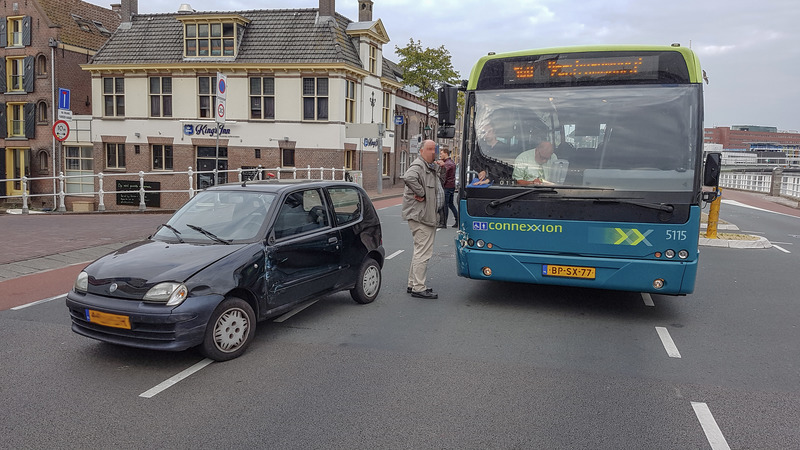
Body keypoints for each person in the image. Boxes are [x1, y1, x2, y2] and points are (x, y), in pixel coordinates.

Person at [402, 140, 443, 299]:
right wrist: (422, 192)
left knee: (419, 251)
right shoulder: (419, 166)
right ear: (421, 151)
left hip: (425, 215)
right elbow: (408, 177)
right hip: (422, 216)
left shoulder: (428, 166)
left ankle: (413, 284)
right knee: (423, 253)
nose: (433, 152)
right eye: (429, 149)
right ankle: (419, 288)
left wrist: (438, 167)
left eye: (434, 149)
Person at [435, 148, 458, 228]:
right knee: (451, 204)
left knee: (444, 205)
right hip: (451, 186)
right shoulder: (451, 162)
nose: (440, 155)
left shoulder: (447, 164)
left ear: (446, 153)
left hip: (446, 187)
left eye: (441, 153)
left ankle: (443, 223)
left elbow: (443, 176)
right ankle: (457, 220)